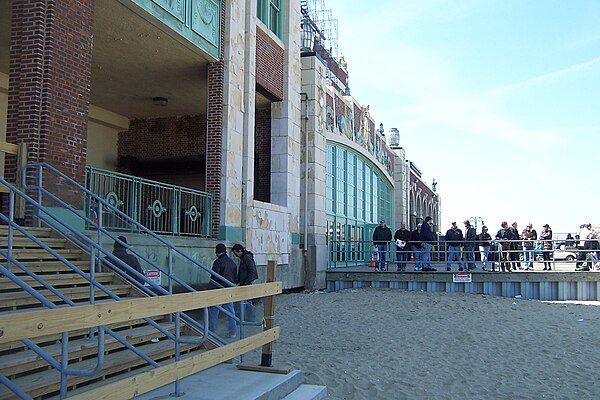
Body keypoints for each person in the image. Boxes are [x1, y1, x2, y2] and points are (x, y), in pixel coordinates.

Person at [209, 243, 238, 338]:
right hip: (229, 289)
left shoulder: (218, 262)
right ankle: (233, 332)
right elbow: (235, 277)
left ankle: (212, 332)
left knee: (214, 312)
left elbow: (214, 278)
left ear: (217, 252)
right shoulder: (232, 263)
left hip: (219, 289)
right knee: (231, 312)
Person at [232, 243, 258, 322]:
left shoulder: (246, 258)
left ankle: (248, 318)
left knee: (245, 301)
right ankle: (248, 318)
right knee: (246, 301)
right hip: (244, 282)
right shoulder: (246, 257)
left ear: (239, 251)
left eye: (235, 253)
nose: (235, 255)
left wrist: (246, 282)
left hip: (246, 283)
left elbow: (252, 271)